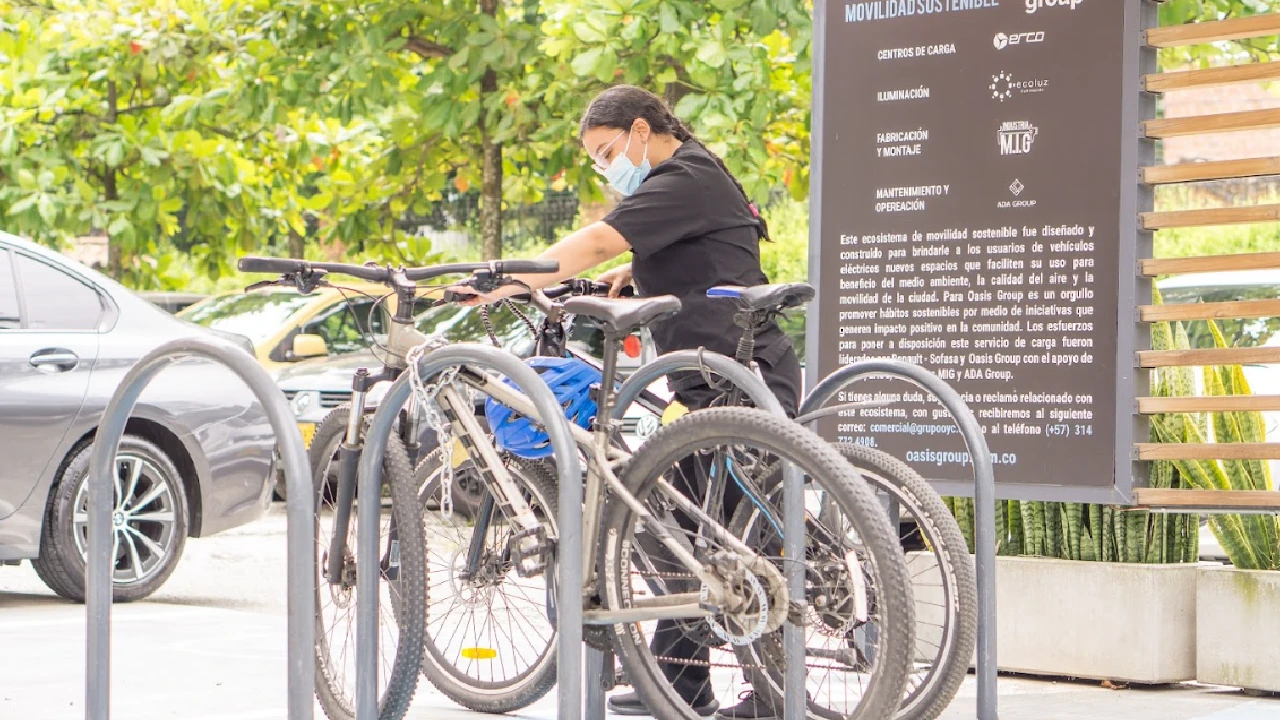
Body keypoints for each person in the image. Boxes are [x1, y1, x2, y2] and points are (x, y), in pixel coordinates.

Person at [454, 84, 801, 720]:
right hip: (708, 377)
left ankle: (775, 695)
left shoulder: (682, 177)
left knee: (739, 538)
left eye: (608, 153)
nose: (607, 168)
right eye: (597, 162)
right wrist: (637, 273)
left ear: (641, 130)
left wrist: (502, 280)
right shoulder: (692, 173)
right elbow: (702, 255)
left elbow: (594, 242)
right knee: (683, 529)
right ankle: (677, 682)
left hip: (738, 374)